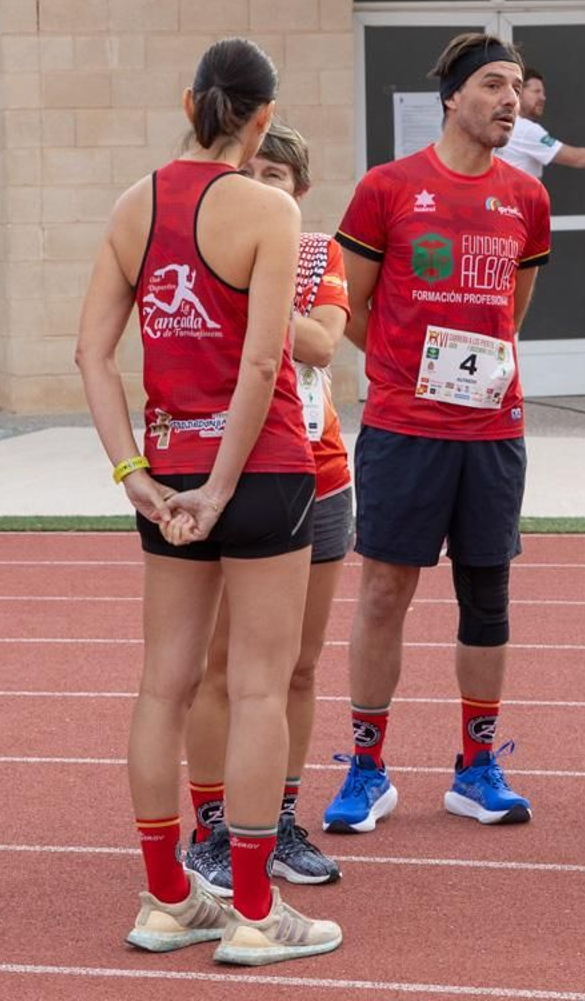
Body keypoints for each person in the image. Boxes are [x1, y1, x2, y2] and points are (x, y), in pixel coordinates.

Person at [75, 38, 341, 964]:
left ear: (189, 103)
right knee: (261, 686)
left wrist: (135, 476)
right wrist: (225, 486)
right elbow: (265, 362)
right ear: (263, 120)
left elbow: (92, 355)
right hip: (260, 474)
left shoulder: (133, 205)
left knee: (165, 684)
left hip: (169, 474)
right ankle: (258, 911)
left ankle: (166, 898)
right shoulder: (269, 208)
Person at [324, 32, 551, 834]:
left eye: (516, 86)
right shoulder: (386, 188)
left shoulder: (528, 198)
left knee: (487, 593)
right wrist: (404, 364)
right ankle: (366, 767)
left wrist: (471, 369)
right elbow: (347, 306)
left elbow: (511, 315)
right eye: (492, 84)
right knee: (385, 591)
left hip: (493, 430)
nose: (509, 99)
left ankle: (477, 766)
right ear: (452, 97)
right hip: (404, 427)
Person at [182, 121, 350, 893]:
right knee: (222, 665)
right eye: (247, 173)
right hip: (236, 470)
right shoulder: (207, 249)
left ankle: (277, 818)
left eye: (274, 176)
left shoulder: (317, 253)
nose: (259, 187)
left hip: (319, 471)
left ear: (300, 190)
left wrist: (260, 288)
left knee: (299, 666)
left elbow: (321, 343)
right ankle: (214, 823)